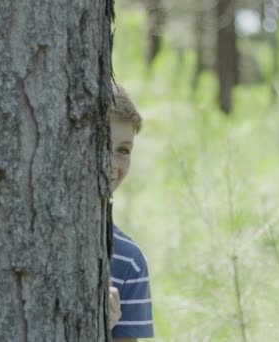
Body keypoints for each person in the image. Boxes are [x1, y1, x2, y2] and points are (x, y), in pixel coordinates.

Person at [107, 84, 154, 341]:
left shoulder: (129, 260)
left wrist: (103, 328)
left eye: (123, 150)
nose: (114, 163)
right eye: (102, 144)